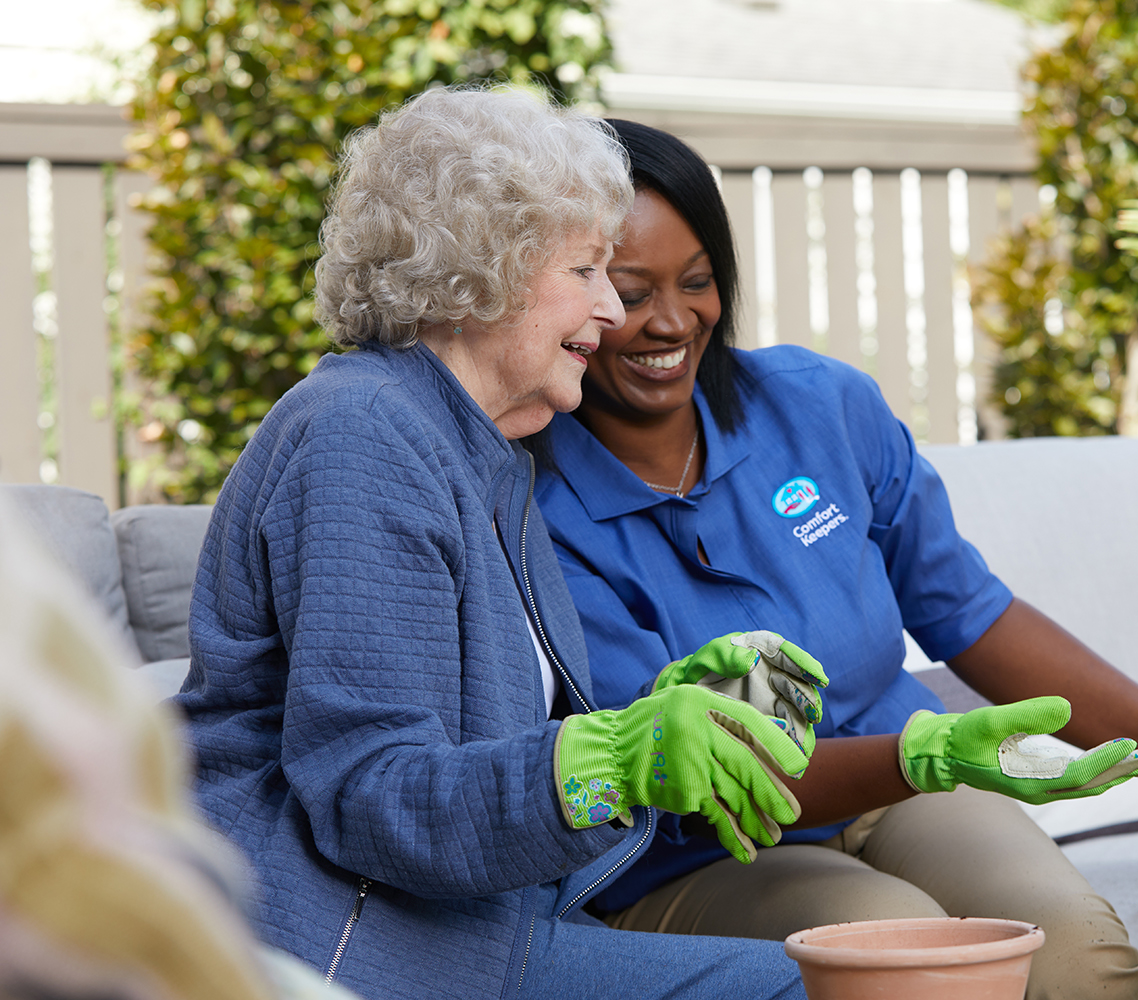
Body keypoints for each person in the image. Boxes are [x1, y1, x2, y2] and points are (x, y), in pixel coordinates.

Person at [531, 119, 1138, 1000]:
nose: (671, 320)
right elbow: (711, 771)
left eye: (699, 281)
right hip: (704, 850)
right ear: (573, 295)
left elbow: (969, 610)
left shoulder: (818, 405)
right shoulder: (536, 506)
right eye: (632, 291)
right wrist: (923, 754)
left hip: (900, 779)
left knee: (1081, 965)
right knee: (928, 969)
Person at [177, 87, 830, 1000]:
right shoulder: (362, 432)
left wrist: (664, 713)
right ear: (480, 271)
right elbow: (374, 797)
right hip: (342, 944)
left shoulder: (485, 452)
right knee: (799, 988)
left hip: (457, 929)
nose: (610, 312)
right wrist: (616, 756)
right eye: (587, 272)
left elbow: (494, 753)